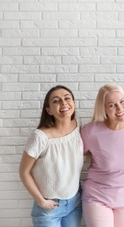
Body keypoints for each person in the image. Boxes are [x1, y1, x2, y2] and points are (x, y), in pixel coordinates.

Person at [81, 83, 124, 227]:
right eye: (111, 105)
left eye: (122, 102)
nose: (119, 108)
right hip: (97, 196)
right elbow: (72, 157)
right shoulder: (90, 131)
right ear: (103, 108)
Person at [19, 85, 83, 227]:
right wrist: (41, 201)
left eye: (67, 98)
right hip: (49, 207)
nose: (63, 103)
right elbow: (24, 172)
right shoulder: (40, 137)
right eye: (56, 101)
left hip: (75, 201)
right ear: (48, 110)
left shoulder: (78, 124)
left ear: (73, 103)